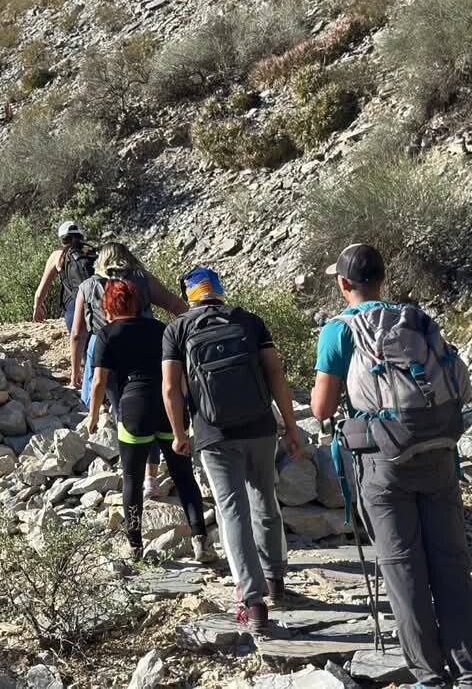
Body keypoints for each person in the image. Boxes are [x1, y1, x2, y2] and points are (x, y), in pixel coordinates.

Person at [311, 244, 472, 688]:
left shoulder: (338, 330)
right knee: (451, 563)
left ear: (344, 284)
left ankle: (429, 676)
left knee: (404, 568)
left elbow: (321, 407)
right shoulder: (416, 320)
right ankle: (468, 669)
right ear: (383, 278)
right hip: (438, 449)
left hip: (384, 463)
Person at [161, 267, 303, 632]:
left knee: (233, 511)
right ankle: (276, 581)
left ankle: (253, 604)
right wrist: (290, 425)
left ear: (189, 294)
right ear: (218, 291)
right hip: (260, 427)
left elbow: (170, 388)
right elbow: (275, 374)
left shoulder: (177, 329)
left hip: (214, 433)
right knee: (265, 499)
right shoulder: (249, 321)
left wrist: (179, 433)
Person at [85, 278, 213, 563]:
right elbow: (177, 374)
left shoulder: (107, 335)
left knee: (131, 478)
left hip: (133, 409)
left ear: (107, 306)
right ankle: (201, 540)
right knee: (182, 475)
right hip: (168, 407)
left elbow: (98, 382)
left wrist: (92, 416)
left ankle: (134, 547)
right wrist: (185, 409)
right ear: (137, 303)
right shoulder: (161, 329)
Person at [73, 243, 188, 499]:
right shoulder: (142, 279)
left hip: (108, 352)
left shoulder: (89, 285)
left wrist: (75, 369)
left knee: (123, 410)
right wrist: (178, 342)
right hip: (149, 348)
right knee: (155, 406)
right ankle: (151, 477)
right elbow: (177, 306)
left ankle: (131, 471)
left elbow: (77, 334)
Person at [32, 221, 96, 332]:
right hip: (98, 302)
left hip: (74, 304)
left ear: (61, 238)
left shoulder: (58, 255)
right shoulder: (91, 251)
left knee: (78, 342)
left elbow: (43, 288)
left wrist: (37, 308)